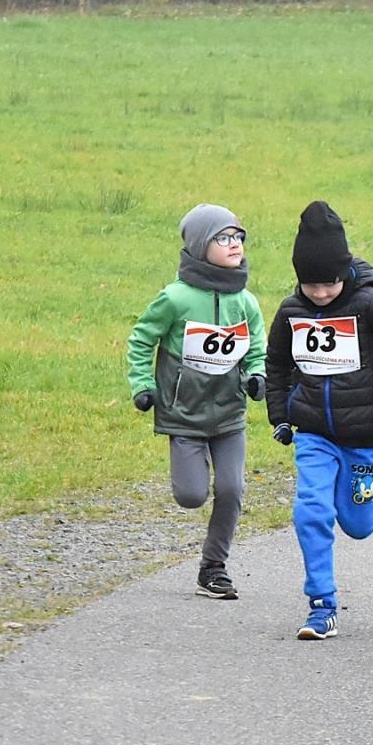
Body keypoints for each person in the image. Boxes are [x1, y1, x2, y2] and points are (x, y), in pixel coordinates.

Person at [265, 200, 373, 639]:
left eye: (329, 283)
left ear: (344, 272)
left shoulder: (370, 304)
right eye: (310, 284)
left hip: (364, 434)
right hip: (313, 432)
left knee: (359, 525)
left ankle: (357, 499)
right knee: (310, 510)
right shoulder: (290, 311)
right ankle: (322, 604)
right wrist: (280, 415)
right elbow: (275, 365)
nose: (319, 293)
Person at [127, 204, 266, 600]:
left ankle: (213, 567)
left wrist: (257, 376)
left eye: (238, 237)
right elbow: (141, 339)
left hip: (229, 414)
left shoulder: (246, 302)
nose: (235, 244)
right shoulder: (175, 298)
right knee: (190, 496)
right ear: (201, 245)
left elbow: (257, 346)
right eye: (224, 238)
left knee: (232, 489)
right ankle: (193, 465)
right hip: (184, 412)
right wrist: (142, 384)